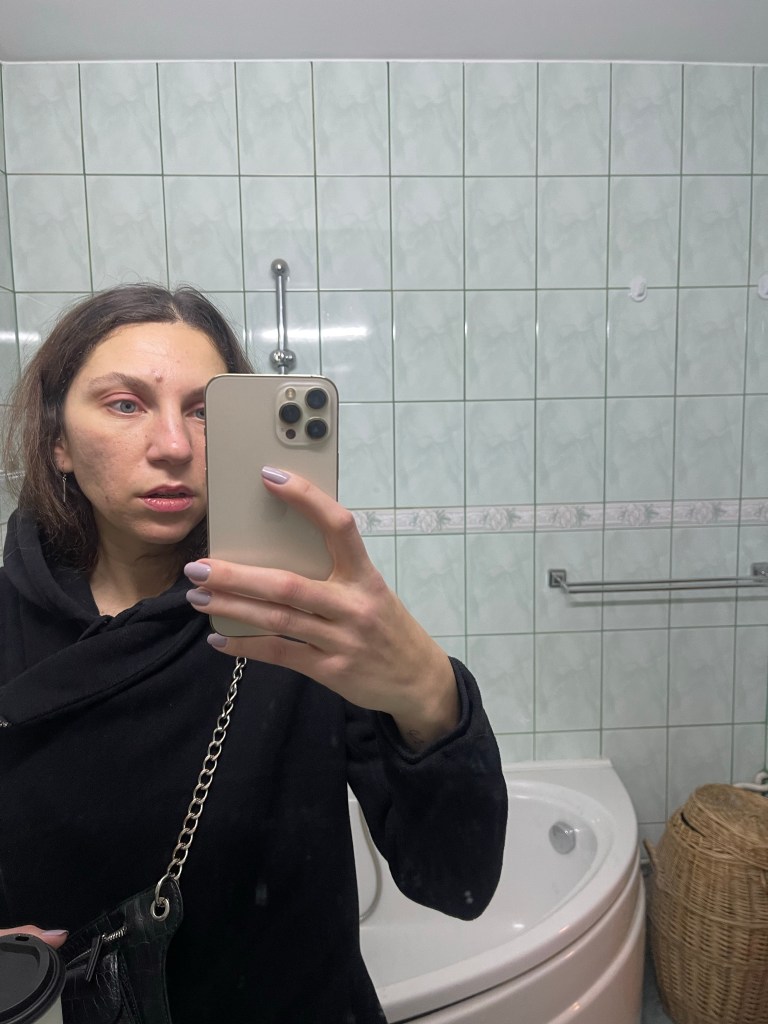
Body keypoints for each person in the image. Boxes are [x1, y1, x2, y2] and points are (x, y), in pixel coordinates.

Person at [0, 284, 507, 1023]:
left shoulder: (298, 615)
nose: (174, 446)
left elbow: (456, 881)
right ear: (58, 443)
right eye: (125, 404)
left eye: (205, 411)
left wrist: (429, 693)